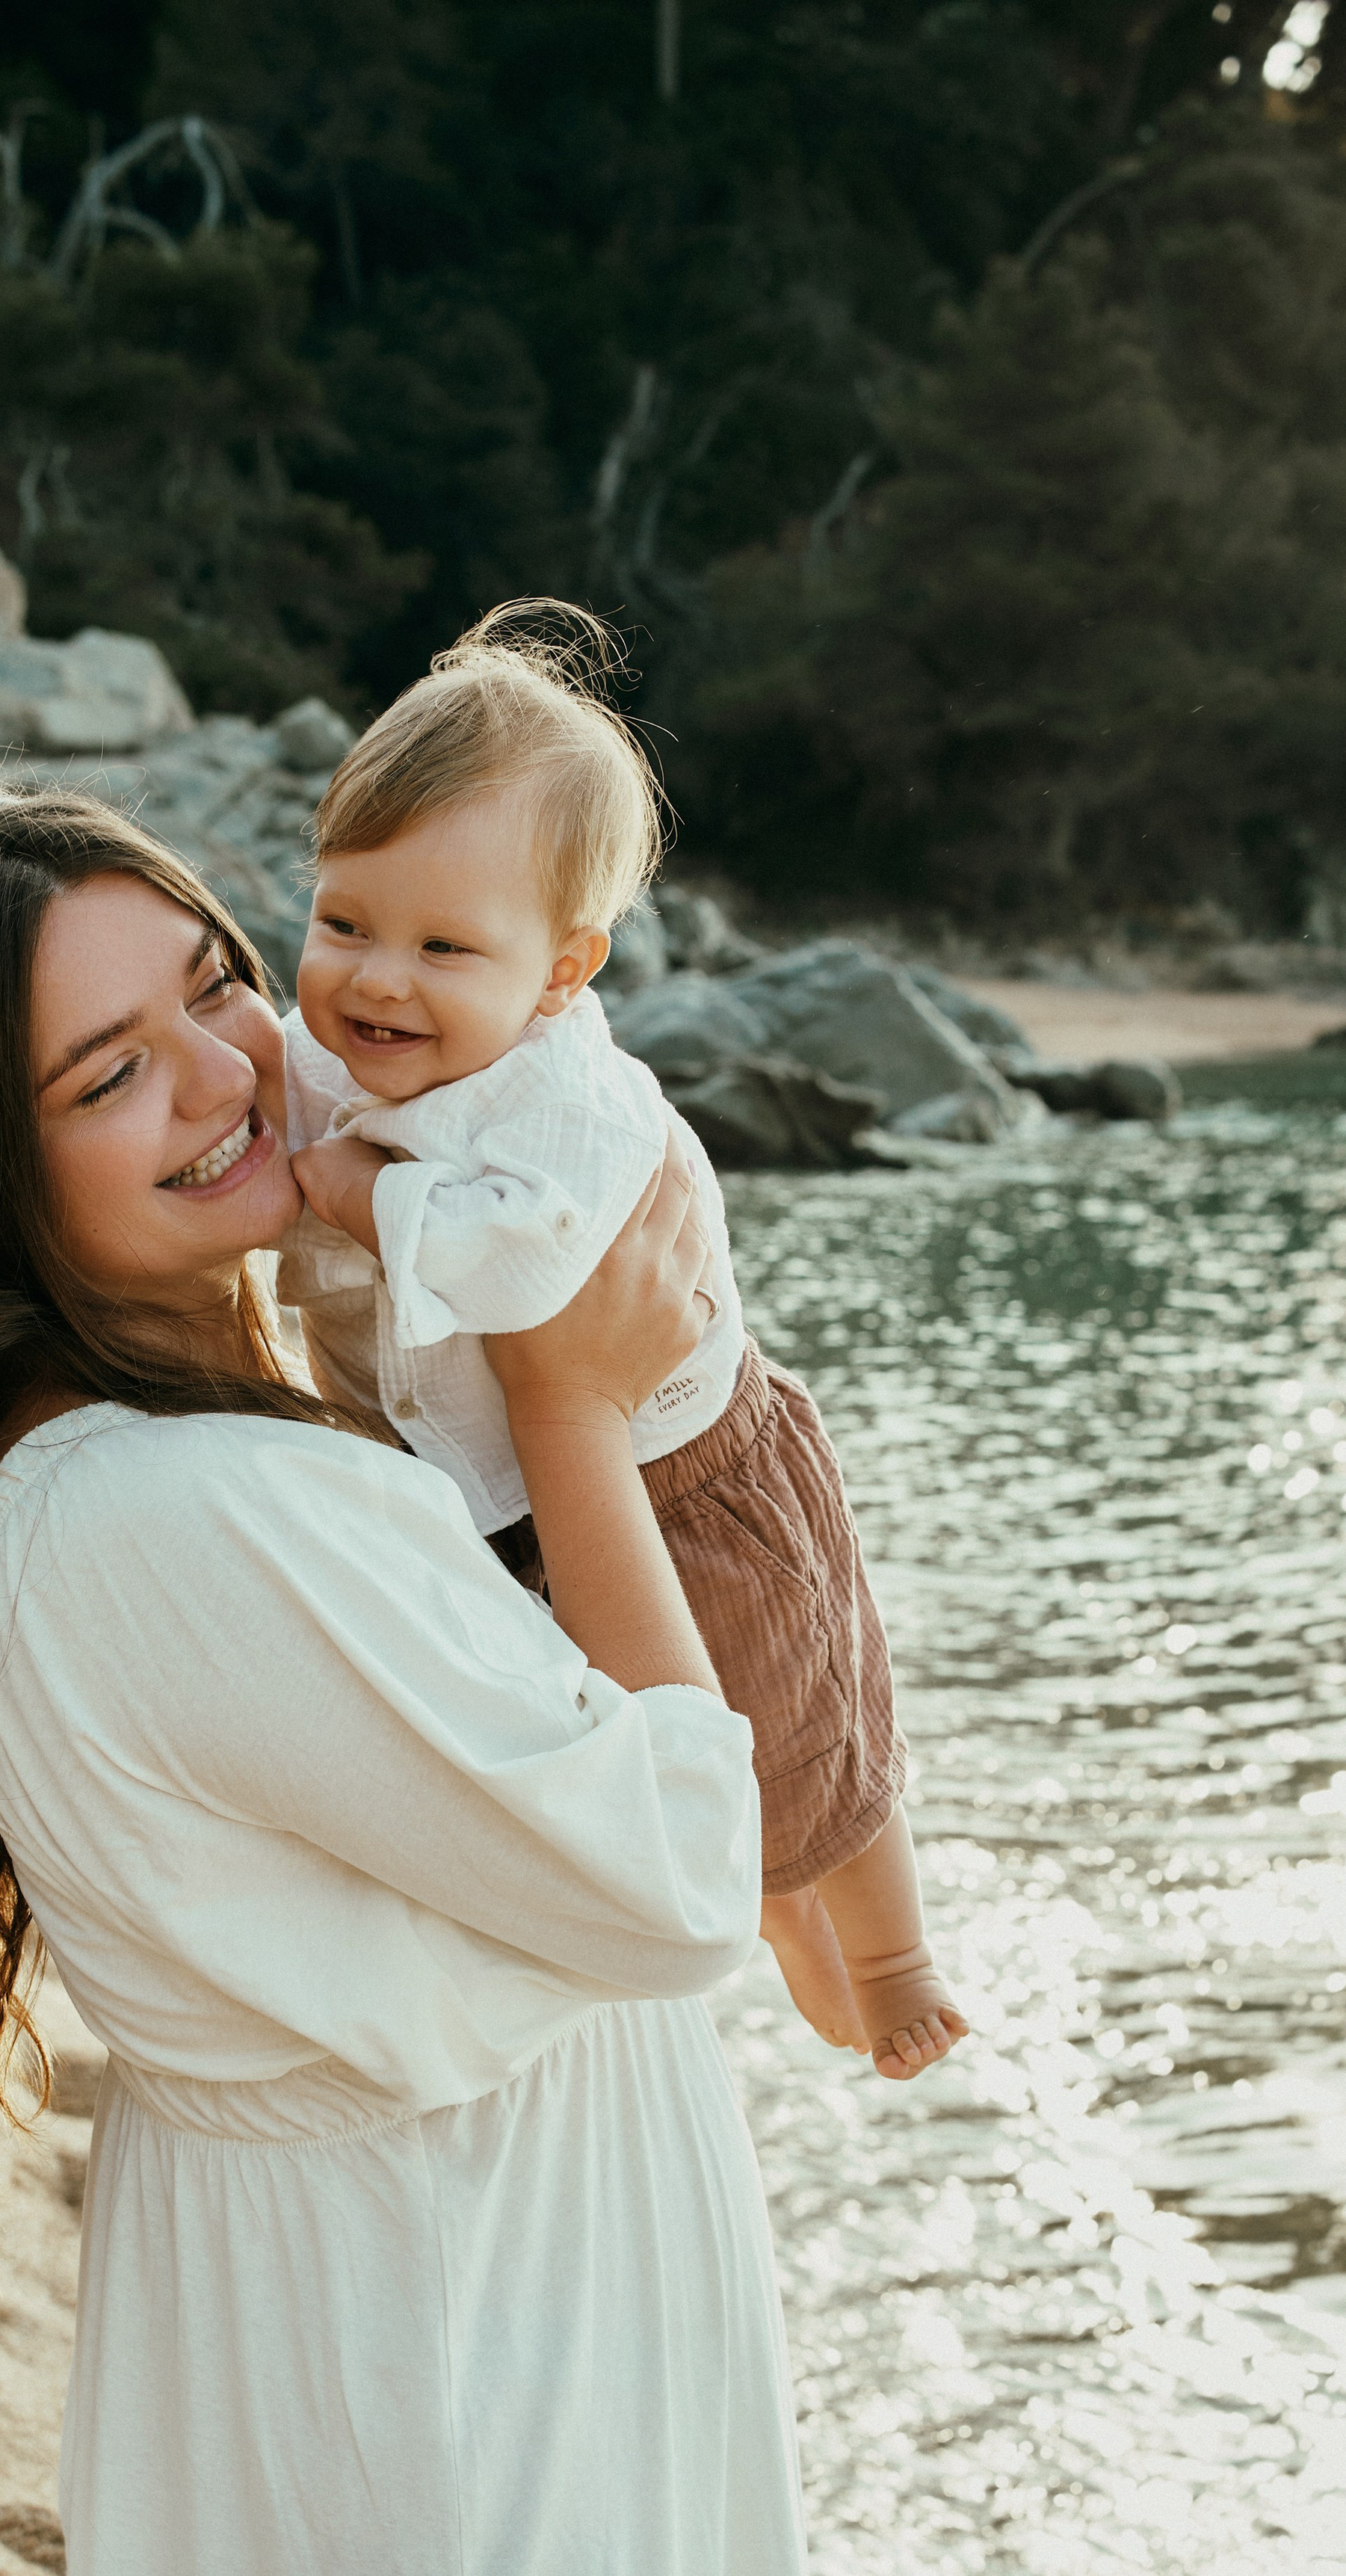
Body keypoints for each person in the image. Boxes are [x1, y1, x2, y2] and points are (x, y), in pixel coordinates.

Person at [0, 784, 840, 2576]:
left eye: (222, 983)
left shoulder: (118, 1463)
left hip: (388, 2315)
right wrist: (577, 1404)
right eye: (109, 1073)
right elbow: (689, 1874)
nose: (230, 1072)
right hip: (459, 2355)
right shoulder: (197, 1514)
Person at [278, 604, 966, 2079]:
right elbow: (266, 1083)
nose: (375, 979)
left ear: (560, 971)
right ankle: (778, 1912)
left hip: (694, 1471)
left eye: (441, 946)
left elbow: (519, 1263)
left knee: (807, 1715)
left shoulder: (566, 1104)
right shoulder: (355, 1050)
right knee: (679, 1771)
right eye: (342, 923)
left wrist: (352, 1191)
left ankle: (890, 1945)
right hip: (540, 1490)